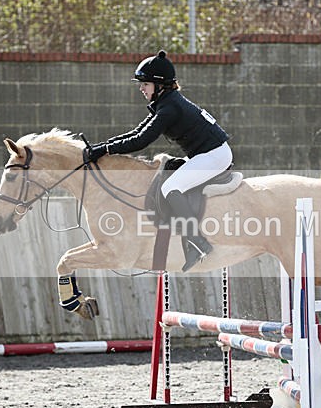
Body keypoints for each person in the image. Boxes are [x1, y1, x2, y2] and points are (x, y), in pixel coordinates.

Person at [84, 50, 233, 272]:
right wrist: (102, 147)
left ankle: (198, 242)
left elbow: (141, 141)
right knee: (170, 175)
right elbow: (136, 132)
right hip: (206, 153)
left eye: (145, 84)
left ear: (159, 85)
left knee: (170, 186)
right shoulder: (166, 102)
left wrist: (105, 149)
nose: (141, 88)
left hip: (214, 156)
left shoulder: (169, 107)